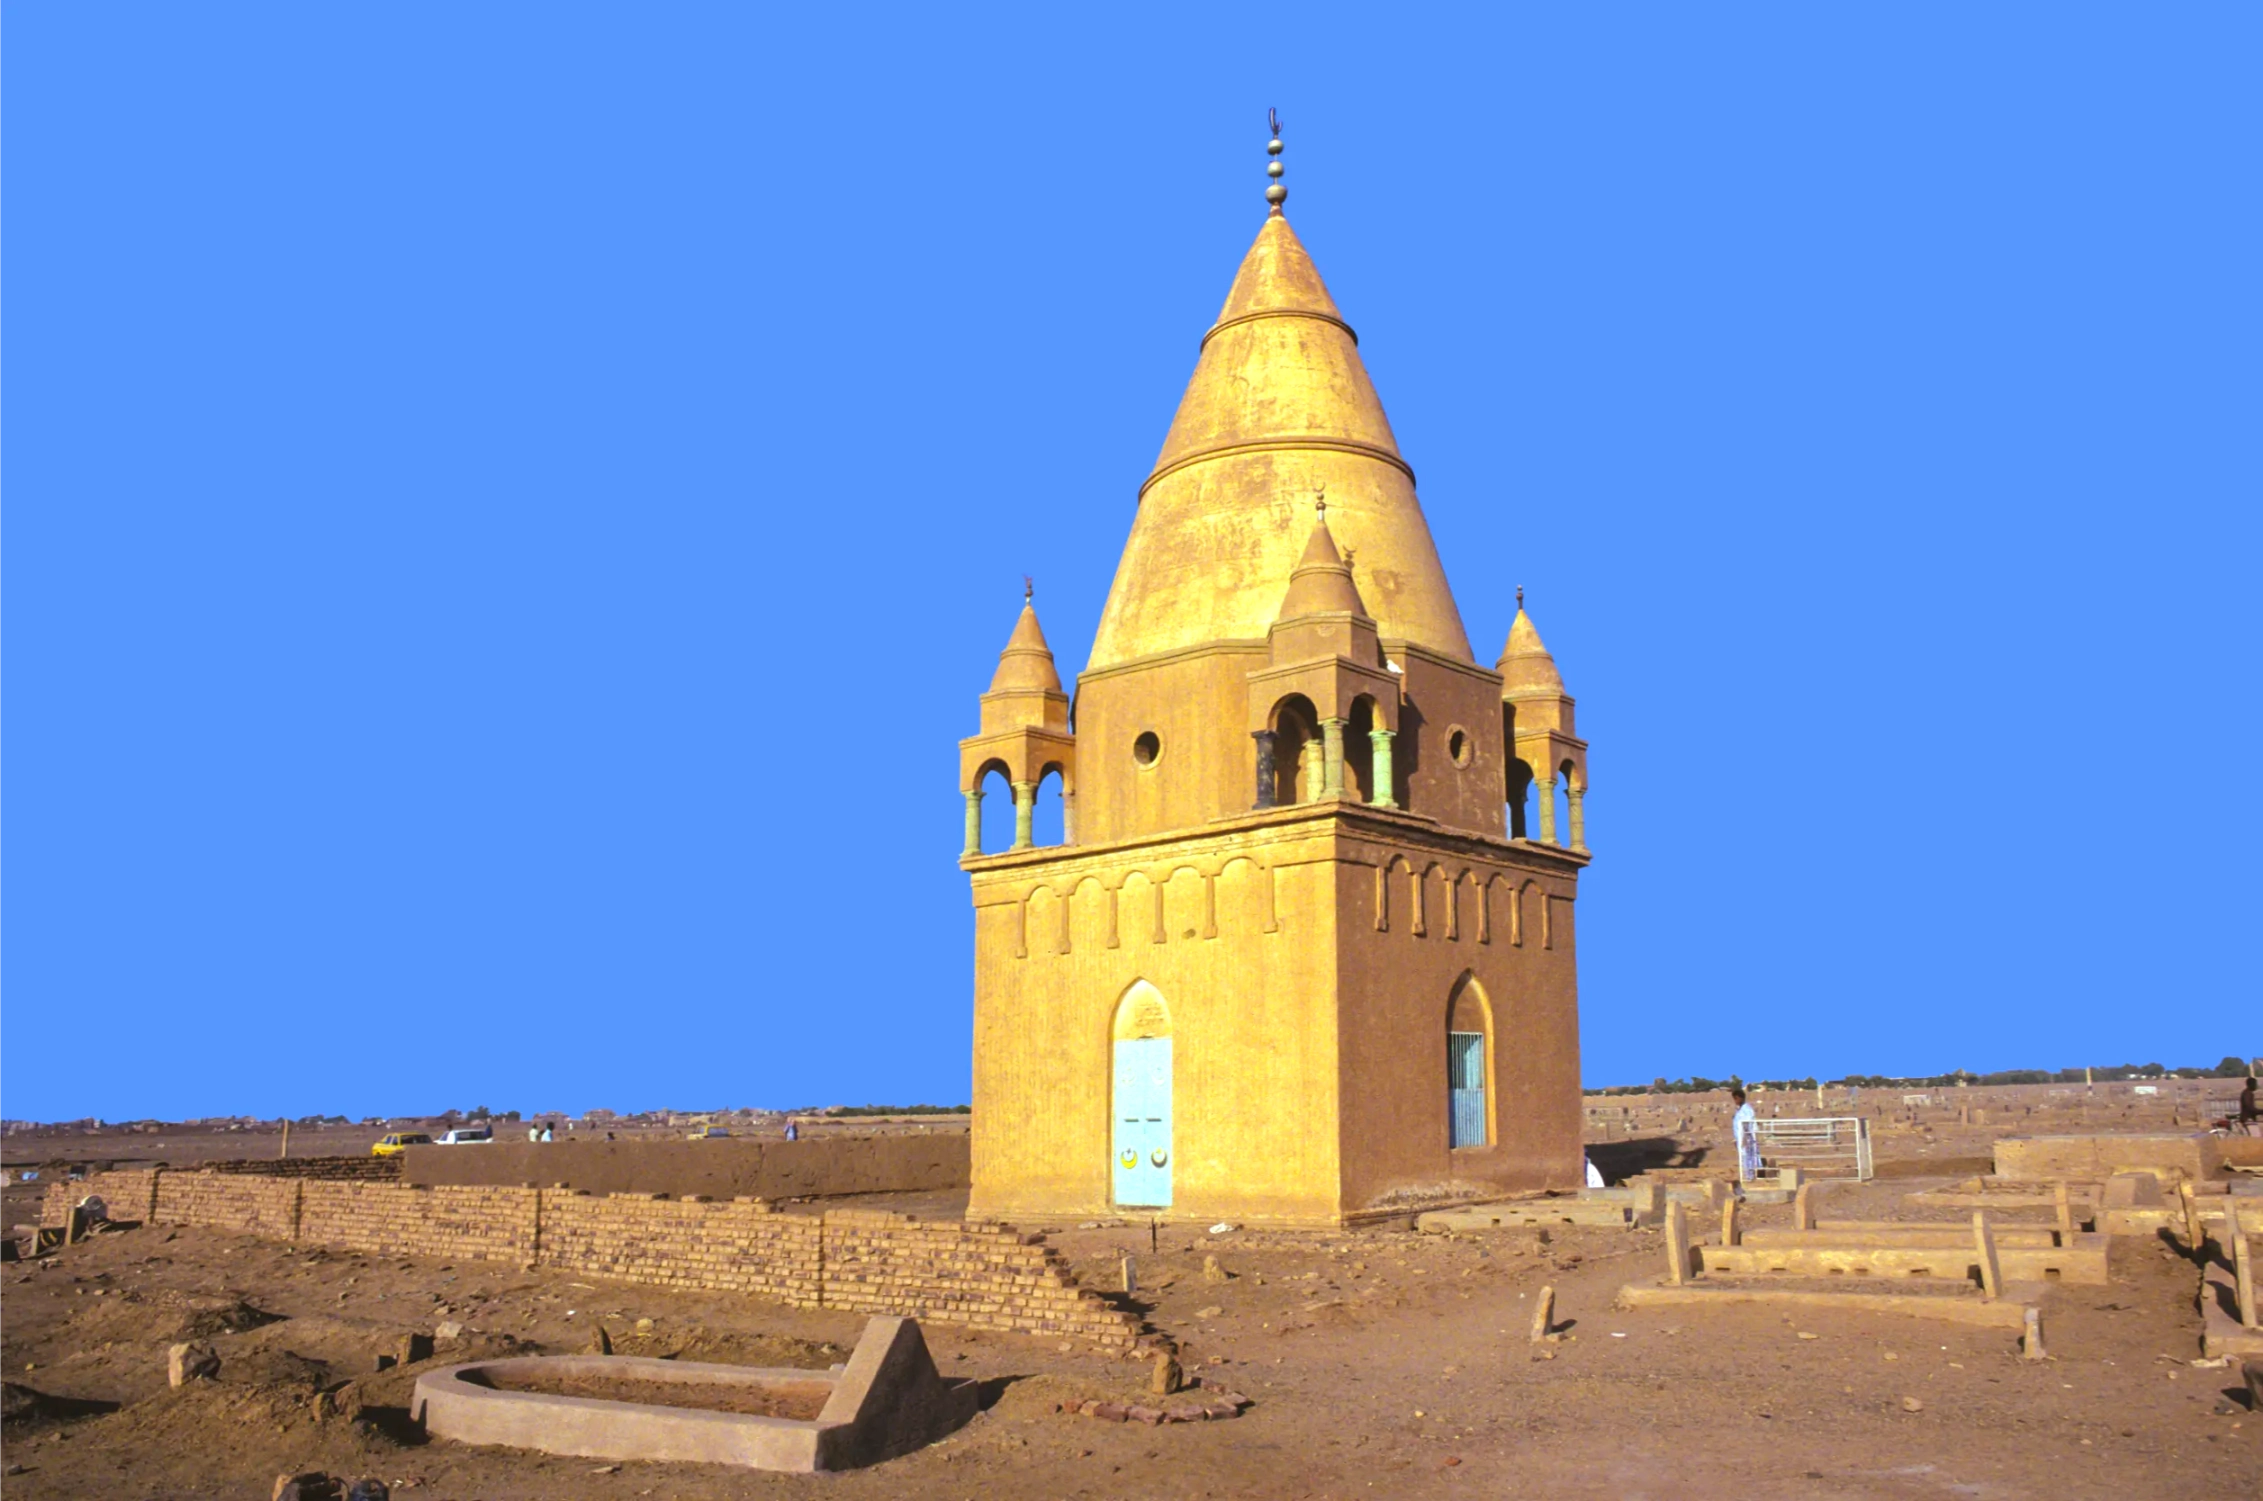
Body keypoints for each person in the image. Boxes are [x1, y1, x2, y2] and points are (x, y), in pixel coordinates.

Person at [1730, 1087, 1760, 1188]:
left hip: (1746, 1137)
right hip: (1740, 1137)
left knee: (1749, 1155)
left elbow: (1747, 1124)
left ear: (1740, 1098)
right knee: (1744, 1156)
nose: (1735, 1101)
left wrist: (1744, 1138)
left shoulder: (1747, 1110)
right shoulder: (1740, 1110)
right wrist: (1736, 1139)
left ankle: (1750, 1176)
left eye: (1736, 1099)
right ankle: (1747, 1175)